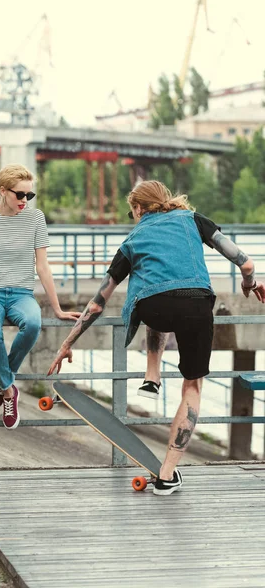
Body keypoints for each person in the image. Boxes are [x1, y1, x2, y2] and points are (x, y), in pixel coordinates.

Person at [47, 180, 265, 495]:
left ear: (138, 208)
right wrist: (250, 283)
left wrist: (67, 343)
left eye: (131, 209)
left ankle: (153, 374)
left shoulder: (132, 239)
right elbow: (245, 261)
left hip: (153, 308)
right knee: (192, 388)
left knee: (152, 291)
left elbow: (98, 301)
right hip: (196, 303)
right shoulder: (192, 219)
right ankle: (166, 474)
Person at [0, 163, 80, 430]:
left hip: (22, 293)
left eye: (29, 195)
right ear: (2, 191)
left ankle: (2, 376)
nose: (24, 201)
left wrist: (56, 309)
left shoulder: (36, 218)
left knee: (33, 324)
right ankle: (9, 391)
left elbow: (42, 266)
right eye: (19, 194)